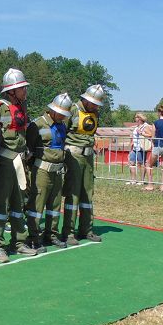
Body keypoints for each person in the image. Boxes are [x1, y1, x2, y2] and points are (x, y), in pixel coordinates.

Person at [0, 68, 38, 262]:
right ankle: (0, 246)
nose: (25, 91)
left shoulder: (21, 107)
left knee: (19, 203)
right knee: (2, 205)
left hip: (19, 162)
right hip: (4, 162)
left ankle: (19, 242)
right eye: (21, 88)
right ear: (12, 91)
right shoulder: (1, 107)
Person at [25, 93, 72, 252]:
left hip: (57, 172)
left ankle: (51, 234)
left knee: (54, 205)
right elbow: (29, 151)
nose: (63, 117)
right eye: (61, 114)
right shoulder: (37, 125)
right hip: (42, 172)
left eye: (65, 115)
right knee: (37, 206)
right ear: (52, 110)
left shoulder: (62, 126)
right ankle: (33, 237)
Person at [62, 85, 104, 245]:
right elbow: (62, 131)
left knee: (87, 194)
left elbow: (91, 134)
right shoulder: (72, 110)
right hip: (74, 156)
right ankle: (69, 233)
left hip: (88, 157)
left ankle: (86, 230)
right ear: (85, 99)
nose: (94, 106)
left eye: (97, 104)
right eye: (92, 102)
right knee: (73, 194)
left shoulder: (95, 113)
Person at [144, 106, 163, 191]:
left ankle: (150, 185)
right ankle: (162, 186)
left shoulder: (156, 123)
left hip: (158, 146)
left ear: (159, 113)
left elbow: (153, 137)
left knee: (148, 164)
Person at [127, 113, 151, 185]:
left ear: (140, 118)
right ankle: (133, 180)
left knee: (141, 164)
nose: (135, 119)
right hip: (134, 147)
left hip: (141, 147)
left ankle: (142, 180)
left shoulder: (146, 126)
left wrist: (141, 133)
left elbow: (150, 135)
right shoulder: (136, 126)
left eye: (136, 117)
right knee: (131, 162)